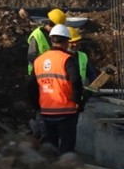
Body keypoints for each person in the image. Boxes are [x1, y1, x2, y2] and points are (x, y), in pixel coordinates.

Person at [27, 24, 84, 154]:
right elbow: (75, 80)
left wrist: (37, 106)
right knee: (67, 148)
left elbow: (30, 85)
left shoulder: (39, 60)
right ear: (66, 41)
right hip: (67, 112)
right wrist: (77, 101)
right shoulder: (67, 59)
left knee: (49, 148)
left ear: (51, 39)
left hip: (46, 112)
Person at [27, 8, 67, 75]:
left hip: (51, 73)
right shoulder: (37, 35)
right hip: (37, 73)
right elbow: (31, 57)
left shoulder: (54, 36)